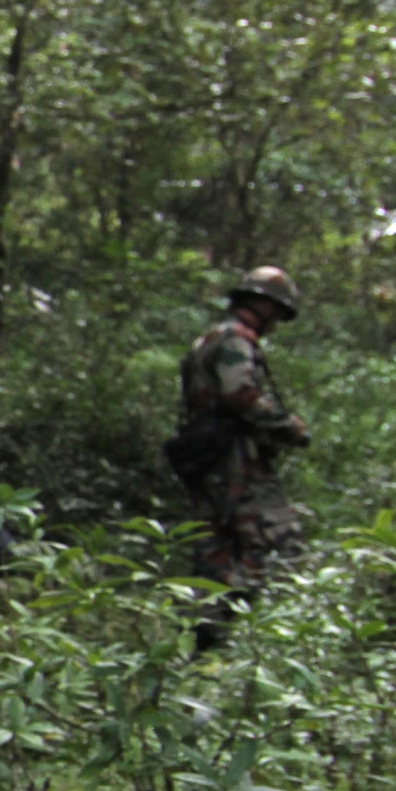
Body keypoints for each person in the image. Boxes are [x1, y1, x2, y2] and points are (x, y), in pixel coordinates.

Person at [171, 266, 308, 651]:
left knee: (216, 549)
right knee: (279, 543)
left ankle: (207, 643)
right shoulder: (235, 340)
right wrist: (288, 427)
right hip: (233, 461)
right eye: (277, 312)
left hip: (208, 460)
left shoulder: (210, 339)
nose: (276, 323)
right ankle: (251, 638)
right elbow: (240, 393)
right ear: (262, 304)